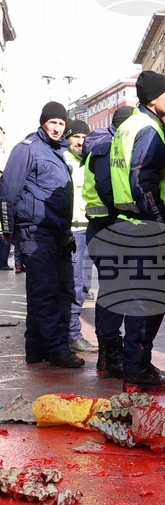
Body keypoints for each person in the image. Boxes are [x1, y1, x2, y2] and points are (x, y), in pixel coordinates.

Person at [107, 71, 165, 393]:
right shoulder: (149, 129)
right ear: (153, 98)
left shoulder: (127, 126)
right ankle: (137, 370)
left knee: (140, 301)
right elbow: (142, 181)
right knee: (147, 303)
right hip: (144, 228)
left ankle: (139, 365)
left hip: (127, 223)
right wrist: (159, 225)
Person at [0, 102, 83, 368]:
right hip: (34, 230)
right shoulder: (28, 149)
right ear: (43, 122)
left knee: (42, 291)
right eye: (53, 122)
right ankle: (58, 349)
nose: (58, 128)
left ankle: (36, 348)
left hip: (55, 231)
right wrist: (8, 230)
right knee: (46, 291)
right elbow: (8, 191)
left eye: (61, 123)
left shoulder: (55, 151)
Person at [82, 104, 138, 380]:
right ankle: (110, 356)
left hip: (104, 227)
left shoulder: (103, 144)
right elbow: (108, 189)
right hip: (109, 226)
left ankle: (108, 356)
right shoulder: (108, 147)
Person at [63, 118, 97, 353]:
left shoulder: (90, 161)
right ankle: (72, 334)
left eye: (85, 137)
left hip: (89, 228)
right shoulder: (63, 161)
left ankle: (68, 332)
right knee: (76, 284)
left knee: (82, 284)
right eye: (76, 137)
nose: (81, 142)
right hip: (72, 231)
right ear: (68, 138)